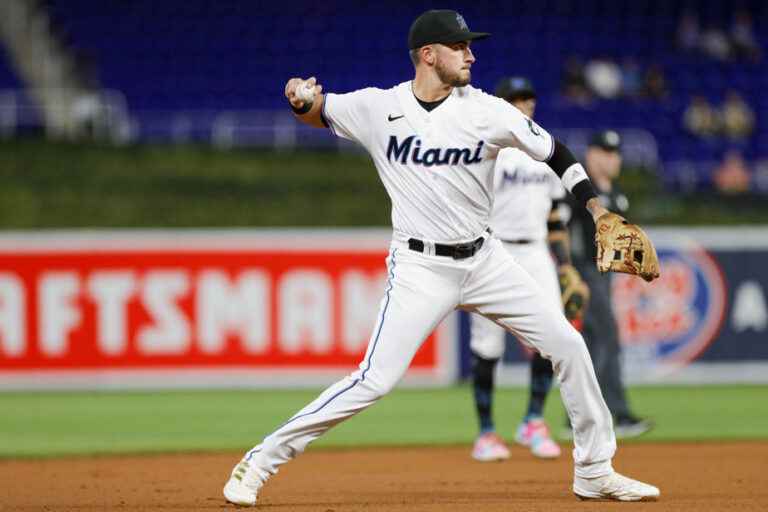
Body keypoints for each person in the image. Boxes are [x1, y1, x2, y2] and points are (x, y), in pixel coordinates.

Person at [223, 10, 660, 506]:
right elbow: (316, 109)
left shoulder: (488, 110)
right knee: (374, 380)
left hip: (485, 261)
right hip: (420, 268)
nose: (471, 54)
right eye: (459, 46)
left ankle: (595, 469)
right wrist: (298, 96)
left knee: (567, 344)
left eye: (469, 46)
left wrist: (597, 210)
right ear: (429, 55)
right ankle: (259, 462)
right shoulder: (378, 108)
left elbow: (556, 152)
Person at [469, 76, 587, 461]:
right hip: (493, 250)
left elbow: (556, 217)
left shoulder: (544, 152)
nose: (525, 106)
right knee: (487, 346)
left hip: (536, 253)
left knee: (551, 337)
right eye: (517, 100)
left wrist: (565, 265)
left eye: (528, 100)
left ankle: (533, 421)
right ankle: (486, 433)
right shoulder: (490, 151)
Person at [564, 130, 654, 439]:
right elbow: (563, 231)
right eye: (605, 152)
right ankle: (618, 412)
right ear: (591, 155)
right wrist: (571, 272)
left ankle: (577, 417)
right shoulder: (579, 192)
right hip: (585, 274)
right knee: (608, 339)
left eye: (615, 152)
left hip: (603, 276)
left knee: (589, 345)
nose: (612, 158)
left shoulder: (616, 194)